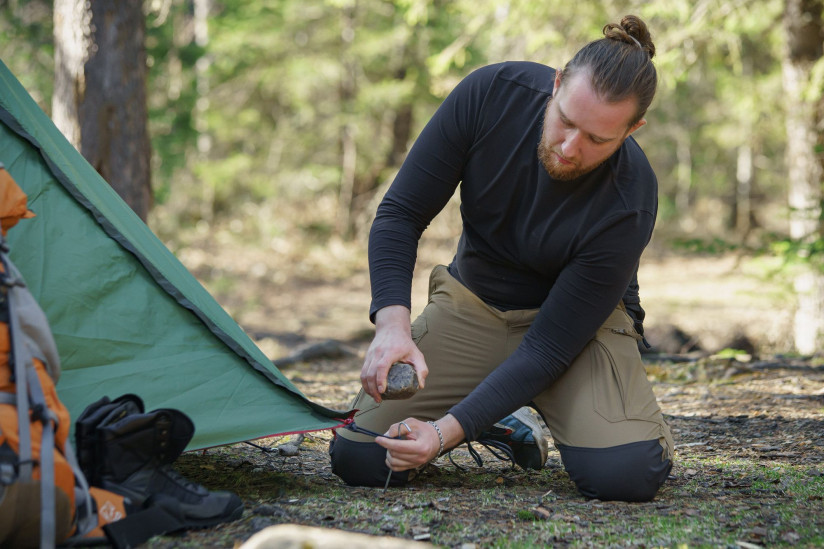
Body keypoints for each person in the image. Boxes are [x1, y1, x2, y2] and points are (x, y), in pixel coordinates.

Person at [329, 14, 674, 502]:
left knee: (625, 474)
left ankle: (500, 409)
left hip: (576, 333)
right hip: (475, 306)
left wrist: (441, 434)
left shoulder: (630, 197)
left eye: (597, 139)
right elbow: (400, 215)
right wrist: (392, 326)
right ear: (556, 84)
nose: (570, 147)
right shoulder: (491, 94)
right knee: (363, 457)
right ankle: (495, 415)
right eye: (566, 121)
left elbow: (549, 348)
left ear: (633, 129)